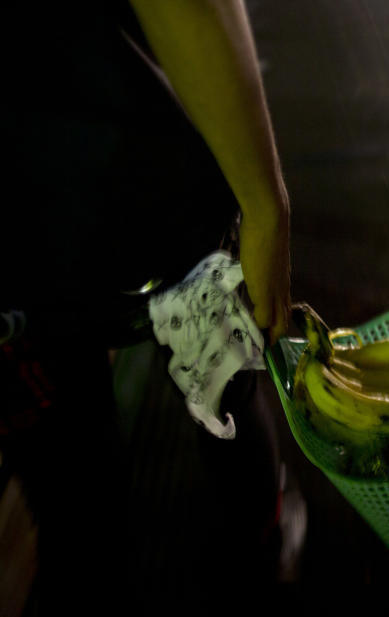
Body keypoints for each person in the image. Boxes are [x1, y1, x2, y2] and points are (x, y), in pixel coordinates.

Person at [1, 0, 291, 613]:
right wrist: (266, 206)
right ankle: (260, 539)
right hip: (132, 184)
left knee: (71, 494)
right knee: (223, 380)